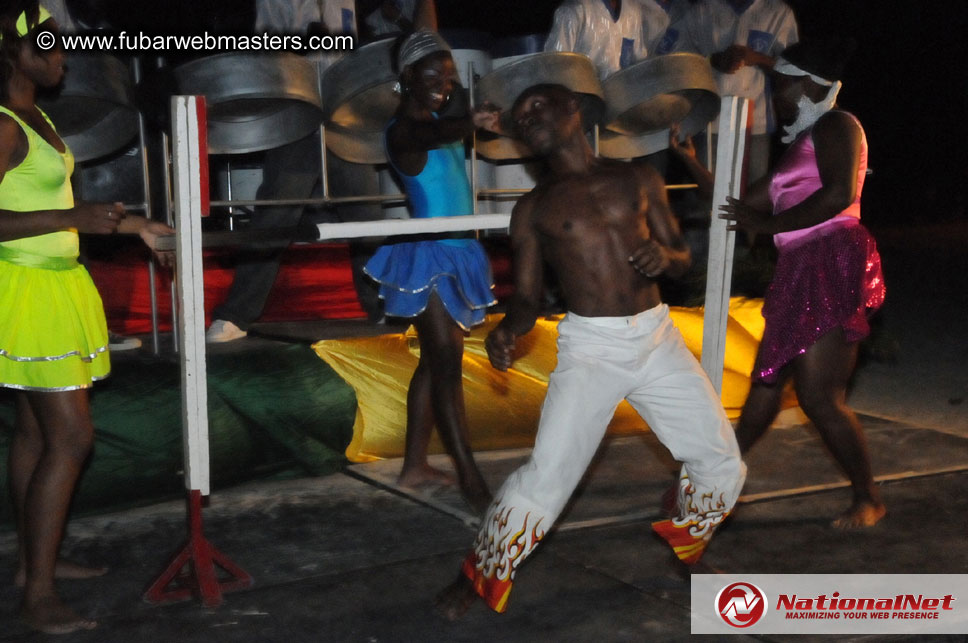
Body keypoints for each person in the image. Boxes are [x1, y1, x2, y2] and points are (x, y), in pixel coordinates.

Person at [436, 83, 746, 618]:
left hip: (657, 339)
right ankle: (480, 573)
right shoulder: (532, 209)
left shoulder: (638, 177)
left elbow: (682, 256)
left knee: (722, 463)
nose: (528, 117)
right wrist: (509, 330)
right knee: (545, 478)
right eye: (521, 115)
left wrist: (664, 256)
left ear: (574, 109)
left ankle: (686, 547)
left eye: (539, 106)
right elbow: (528, 297)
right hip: (592, 351)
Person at [0, 3, 173, 633]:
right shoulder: (3, 124)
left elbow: (56, 203)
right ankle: (38, 596)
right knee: (72, 439)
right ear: (10, 53)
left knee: (35, 434)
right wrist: (71, 221)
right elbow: (46, 217)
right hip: (25, 289)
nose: (60, 58)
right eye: (46, 47)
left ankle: (30, 568)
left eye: (59, 47)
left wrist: (137, 226)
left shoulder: (36, 116)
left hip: (54, 283)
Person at [720, 39, 886, 529]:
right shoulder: (800, 144)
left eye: (781, 84)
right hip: (800, 264)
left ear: (809, 84)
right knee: (767, 384)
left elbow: (840, 193)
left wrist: (768, 225)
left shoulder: (838, 125)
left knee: (818, 397)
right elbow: (739, 202)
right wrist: (689, 163)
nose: (777, 96)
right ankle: (707, 480)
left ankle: (868, 498)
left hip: (831, 256)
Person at [364, 30, 499, 511]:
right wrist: (469, 120)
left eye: (449, 76)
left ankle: (415, 466)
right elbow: (435, 134)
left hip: (458, 250)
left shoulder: (443, 118)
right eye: (432, 76)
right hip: (430, 255)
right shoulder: (404, 130)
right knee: (445, 361)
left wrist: (464, 114)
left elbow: (446, 125)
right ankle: (469, 477)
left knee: (437, 360)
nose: (444, 84)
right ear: (406, 78)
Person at [206, 0, 383, 343]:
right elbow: (262, 48)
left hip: (343, 118)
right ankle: (237, 315)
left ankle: (381, 307)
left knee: (367, 215)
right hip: (299, 113)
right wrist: (299, 44)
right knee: (276, 215)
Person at [664, 0, 799, 183]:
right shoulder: (703, 10)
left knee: (752, 194)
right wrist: (713, 60)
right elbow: (679, 61)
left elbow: (795, 68)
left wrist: (758, 58)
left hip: (756, 122)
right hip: (709, 121)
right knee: (710, 192)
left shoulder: (777, 12)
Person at [544, 0, 677, 80]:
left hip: (618, 109)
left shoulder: (633, 11)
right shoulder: (574, 11)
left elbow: (638, 63)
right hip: (582, 110)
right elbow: (554, 69)